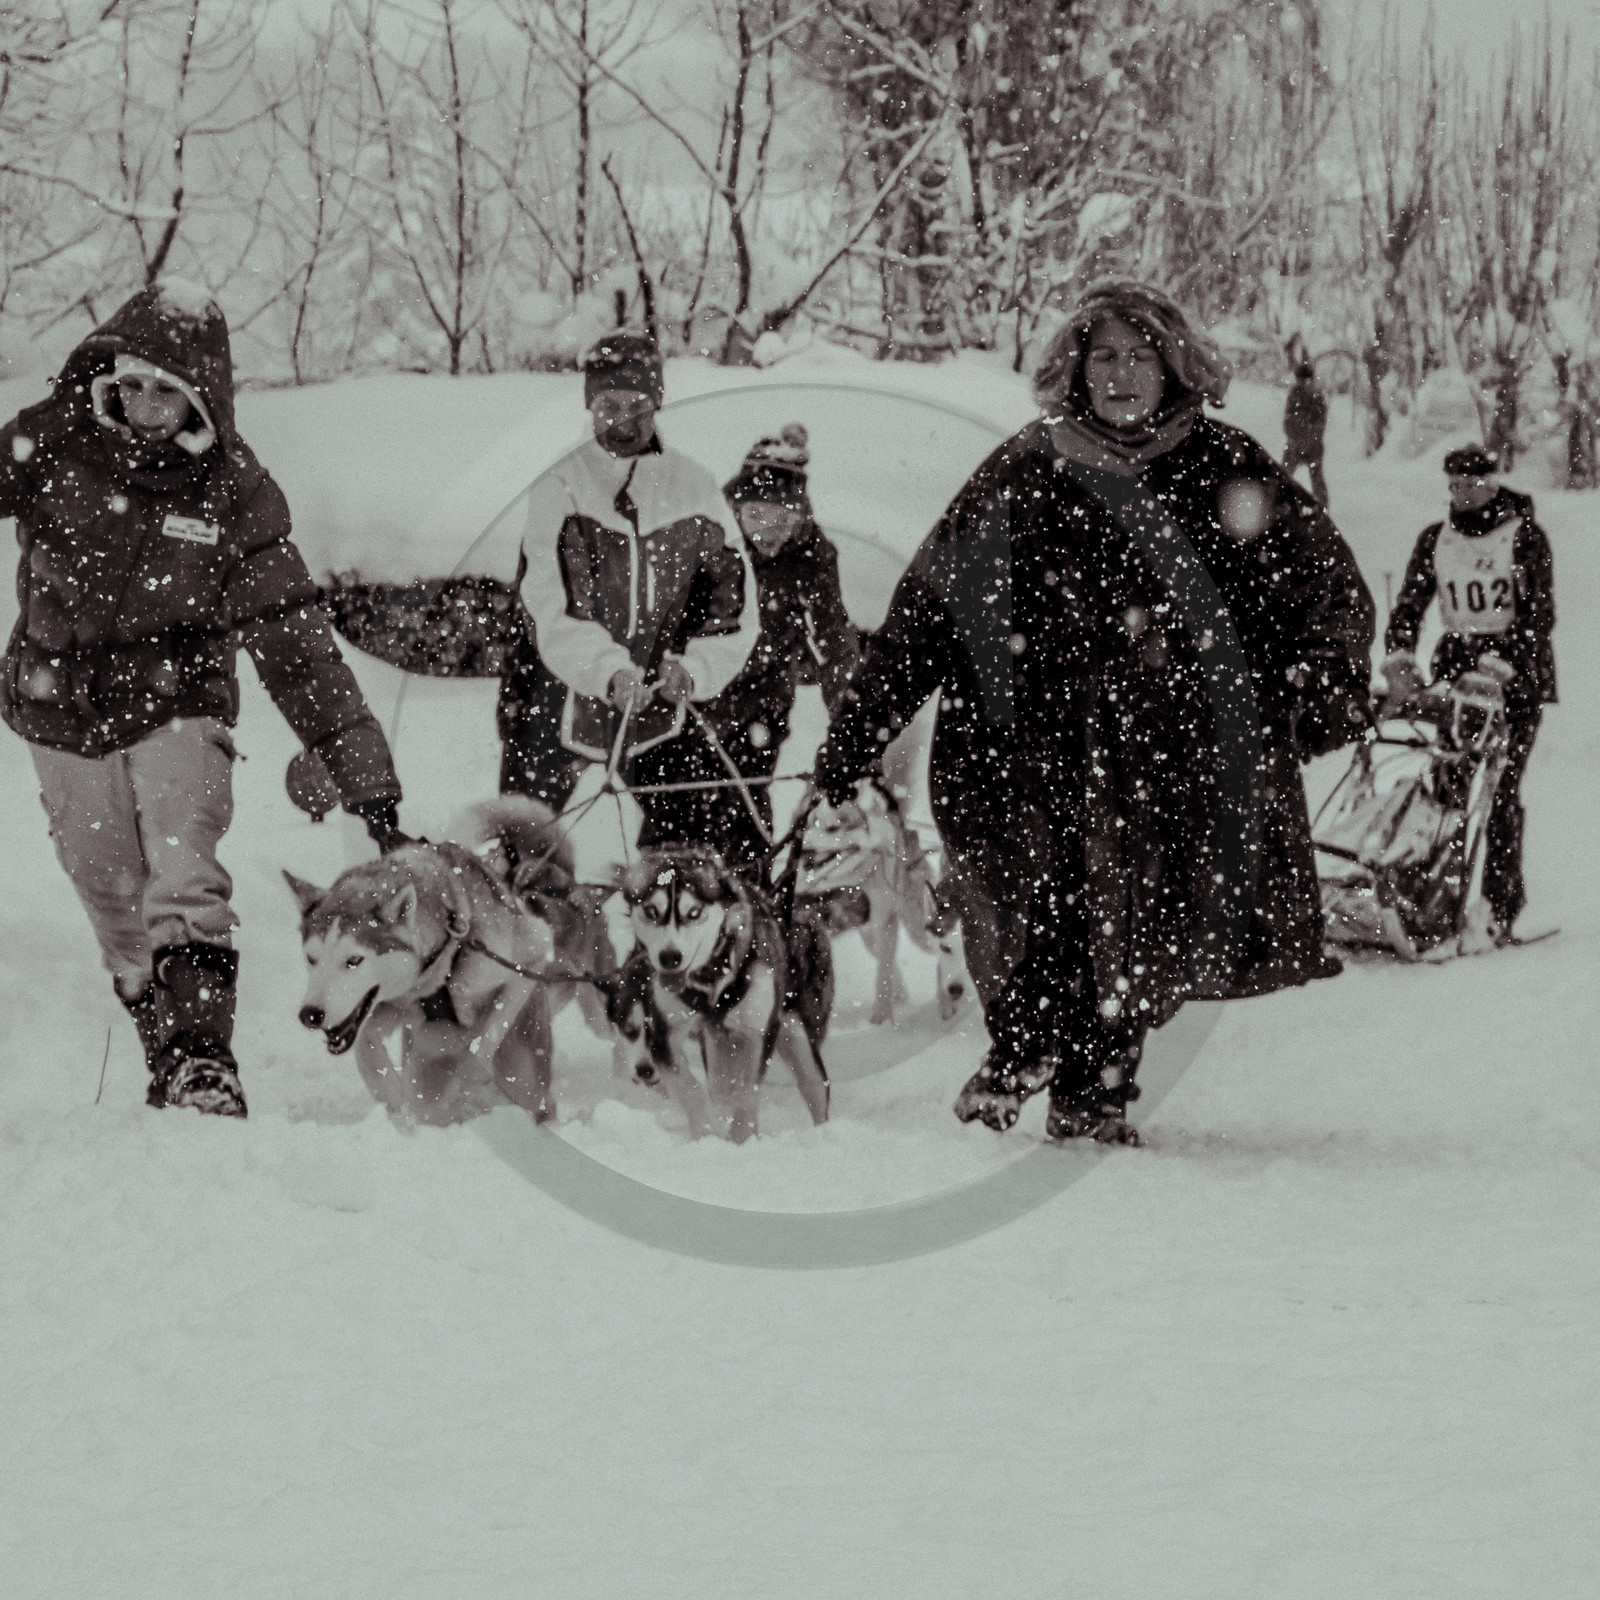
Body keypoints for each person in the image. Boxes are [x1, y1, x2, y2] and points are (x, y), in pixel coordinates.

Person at [813, 280, 1374, 1144]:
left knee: (1141, 919)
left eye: (1139, 355)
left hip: (1171, 749)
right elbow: (928, 611)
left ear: (1173, 363)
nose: (1120, 374)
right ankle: (1038, 1050)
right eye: (1103, 355)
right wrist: (855, 738)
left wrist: (1310, 690)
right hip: (1034, 743)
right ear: (1075, 366)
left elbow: (1325, 588)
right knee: (1047, 900)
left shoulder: (1224, 468)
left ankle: (1085, 1085)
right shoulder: (1029, 470)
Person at [0, 280, 404, 1118]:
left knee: (183, 871)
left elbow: (297, 651)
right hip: (60, 709)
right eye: (133, 384)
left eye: (167, 391)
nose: (145, 404)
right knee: (108, 886)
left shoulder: (233, 493)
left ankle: (202, 1059)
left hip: (177, 703)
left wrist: (364, 778)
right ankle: (161, 1040)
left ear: (201, 399)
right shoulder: (57, 440)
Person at [498, 329, 758, 849]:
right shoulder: (560, 487)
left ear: (656, 402)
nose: (620, 419)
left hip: (661, 705)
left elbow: (732, 604)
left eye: (636, 405)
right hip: (557, 695)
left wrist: (695, 667)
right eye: (607, 405)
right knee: (521, 855)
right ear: (590, 407)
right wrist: (608, 670)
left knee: (696, 855)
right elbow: (552, 606)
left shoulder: (696, 488)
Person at [1384, 445, 1556, 942]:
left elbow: (1538, 615)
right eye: (1453, 485)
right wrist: (1400, 656)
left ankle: (1500, 906)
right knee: (1447, 787)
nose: (1460, 495)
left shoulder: (1523, 536)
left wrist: (1501, 662)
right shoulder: (1436, 539)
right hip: (1458, 677)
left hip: (1517, 680)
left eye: (1469, 485)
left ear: (1491, 483)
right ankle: (1431, 894)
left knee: (1499, 791)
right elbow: (1410, 604)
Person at [698, 424, 859, 868]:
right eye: (757, 517)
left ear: (800, 517)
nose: (770, 533)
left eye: (783, 520)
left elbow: (834, 642)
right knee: (687, 801)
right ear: (737, 509)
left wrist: (852, 714)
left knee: (745, 798)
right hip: (698, 688)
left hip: (762, 698)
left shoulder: (812, 555)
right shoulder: (710, 542)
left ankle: (751, 889)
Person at [1283, 360, 1329, 507]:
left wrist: (1306, 438)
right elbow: (1288, 419)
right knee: (1285, 475)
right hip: (1300, 442)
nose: (1302, 382)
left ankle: (1322, 507)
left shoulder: (1313, 395)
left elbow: (1319, 422)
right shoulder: (1303, 393)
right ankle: (1278, 503)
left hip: (1306, 443)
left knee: (1313, 477)